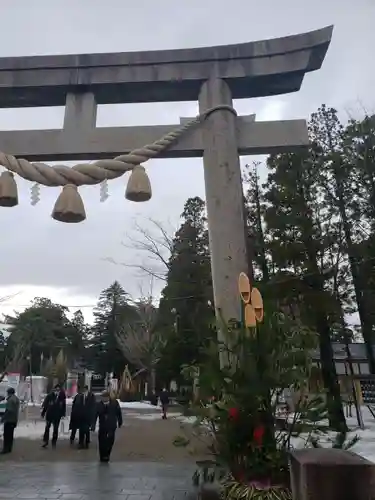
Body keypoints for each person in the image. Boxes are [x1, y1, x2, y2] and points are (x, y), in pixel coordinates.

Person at [94, 390, 122, 463]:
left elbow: (118, 413)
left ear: (108, 397)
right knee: (102, 442)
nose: (104, 398)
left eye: (106, 397)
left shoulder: (114, 403)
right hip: (102, 426)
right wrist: (93, 425)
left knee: (110, 441)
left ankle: (107, 455)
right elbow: (95, 415)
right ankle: (102, 456)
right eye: (103, 397)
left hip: (111, 425)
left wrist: (120, 422)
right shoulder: (99, 405)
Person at [41, 383, 66, 448]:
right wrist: (43, 413)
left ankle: (54, 441)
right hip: (50, 415)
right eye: (56, 390)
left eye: (58, 390)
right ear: (54, 390)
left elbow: (64, 406)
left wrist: (63, 414)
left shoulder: (62, 397)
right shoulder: (50, 396)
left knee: (55, 429)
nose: (57, 391)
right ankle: (45, 441)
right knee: (47, 428)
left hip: (57, 416)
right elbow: (45, 405)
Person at [1, 388, 20, 454]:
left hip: (9, 419)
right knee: (10, 435)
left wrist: (3, 418)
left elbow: (9, 410)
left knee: (6, 435)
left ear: (9, 392)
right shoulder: (16, 398)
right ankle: (9, 448)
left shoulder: (10, 400)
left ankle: (5, 449)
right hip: (14, 419)